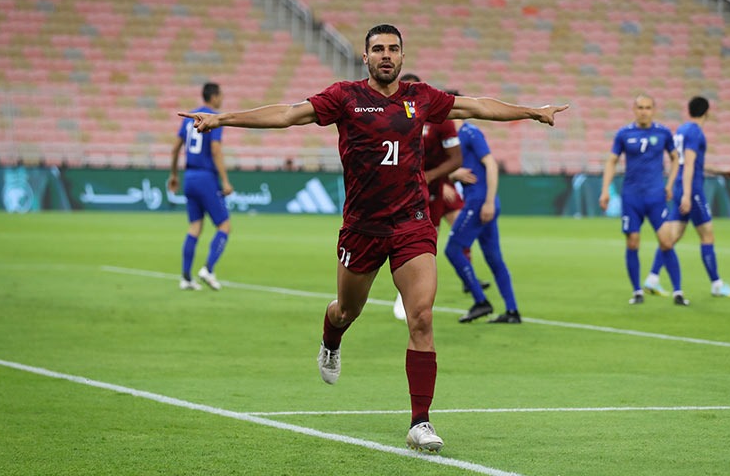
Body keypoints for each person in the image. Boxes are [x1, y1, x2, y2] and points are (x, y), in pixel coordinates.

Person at [179, 24, 568, 452]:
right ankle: (331, 338)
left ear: (402, 56)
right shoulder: (344, 96)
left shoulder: (421, 98)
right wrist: (222, 119)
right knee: (347, 309)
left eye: (393, 49)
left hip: (412, 223)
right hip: (362, 227)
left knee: (421, 317)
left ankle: (420, 421)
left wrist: (531, 110)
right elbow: (289, 114)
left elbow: (474, 106)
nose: (386, 55)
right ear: (365, 57)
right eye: (378, 49)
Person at [391, 76, 488, 321]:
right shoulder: (395, 119)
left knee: (456, 234)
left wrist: (441, 177)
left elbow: (452, 157)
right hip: (414, 187)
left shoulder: (440, 121)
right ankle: (406, 290)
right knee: (417, 239)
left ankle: (469, 279)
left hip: (437, 184)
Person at [642, 96, 730, 298]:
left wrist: (719, 171)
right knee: (707, 235)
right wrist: (688, 195)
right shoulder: (696, 132)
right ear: (707, 111)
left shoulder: (682, 130)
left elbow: (692, 163)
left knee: (671, 237)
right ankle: (717, 284)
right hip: (692, 190)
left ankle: (652, 279)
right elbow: (688, 164)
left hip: (680, 186)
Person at [599, 94, 689, 306]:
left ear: (653, 109)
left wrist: (669, 184)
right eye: (640, 107)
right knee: (632, 242)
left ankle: (678, 291)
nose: (643, 111)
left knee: (667, 242)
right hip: (631, 197)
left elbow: (676, 158)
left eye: (647, 107)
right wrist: (605, 190)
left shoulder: (663, 132)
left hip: (656, 196)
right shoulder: (624, 134)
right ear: (634, 109)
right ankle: (637, 290)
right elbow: (612, 161)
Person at [445, 109, 522, 324]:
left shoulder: (470, 133)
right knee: (494, 258)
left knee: (452, 249)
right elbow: (452, 171)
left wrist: (488, 201)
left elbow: (491, 164)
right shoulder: (451, 138)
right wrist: (454, 174)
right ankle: (512, 311)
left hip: (479, 202)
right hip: (479, 201)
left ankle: (481, 301)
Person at [169, 82, 233, 291]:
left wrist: (174, 175)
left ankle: (186, 278)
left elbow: (175, 148)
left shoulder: (190, 118)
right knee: (224, 225)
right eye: (221, 95)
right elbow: (215, 149)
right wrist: (225, 180)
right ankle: (208, 269)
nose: (222, 99)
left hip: (190, 176)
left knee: (195, 226)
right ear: (213, 97)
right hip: (206, 177)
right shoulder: (213, 117)